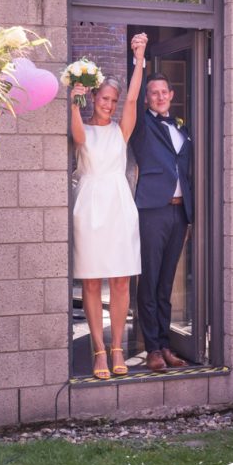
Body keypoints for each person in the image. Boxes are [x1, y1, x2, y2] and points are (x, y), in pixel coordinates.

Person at [70, 33, 147, 379]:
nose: (110, 104)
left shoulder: (120, 130)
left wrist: (139, 57)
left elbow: (133, 99)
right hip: (89, 207)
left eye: (113, 100)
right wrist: (73, 99)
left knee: (120, 281)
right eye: (104, 98)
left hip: (119, 206)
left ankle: (118, 347)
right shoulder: (84, 128)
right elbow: (76, 136)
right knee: (90, 281)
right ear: (94, 98)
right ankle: (98, 351)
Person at [129, 68, 193, 372]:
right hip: (152, 211)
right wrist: (138, 61)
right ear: (147, 98)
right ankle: (152, 348)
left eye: (164, 91)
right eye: (154, 92)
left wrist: (189, 218)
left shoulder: (181, 128)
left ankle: (165, 345)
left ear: (172, 95)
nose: (160, 96)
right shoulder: (143, 124)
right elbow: (130, 102)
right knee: (150, 281)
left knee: (166, 284)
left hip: (179, 213)